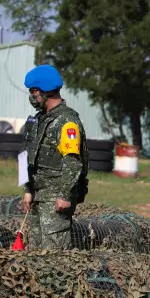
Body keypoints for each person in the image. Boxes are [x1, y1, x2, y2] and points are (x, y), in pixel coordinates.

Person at [21, 64, 89, 250]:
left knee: (54, 254)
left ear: (45, 92)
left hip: (56, 197)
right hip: (38, 194)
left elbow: (72, 162)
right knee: (35, 249)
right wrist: (28, 190)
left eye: (33, 92)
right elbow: (29, 158)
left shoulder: (66, 122)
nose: (31, 97)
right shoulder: (38, 120)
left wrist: (65, 195)